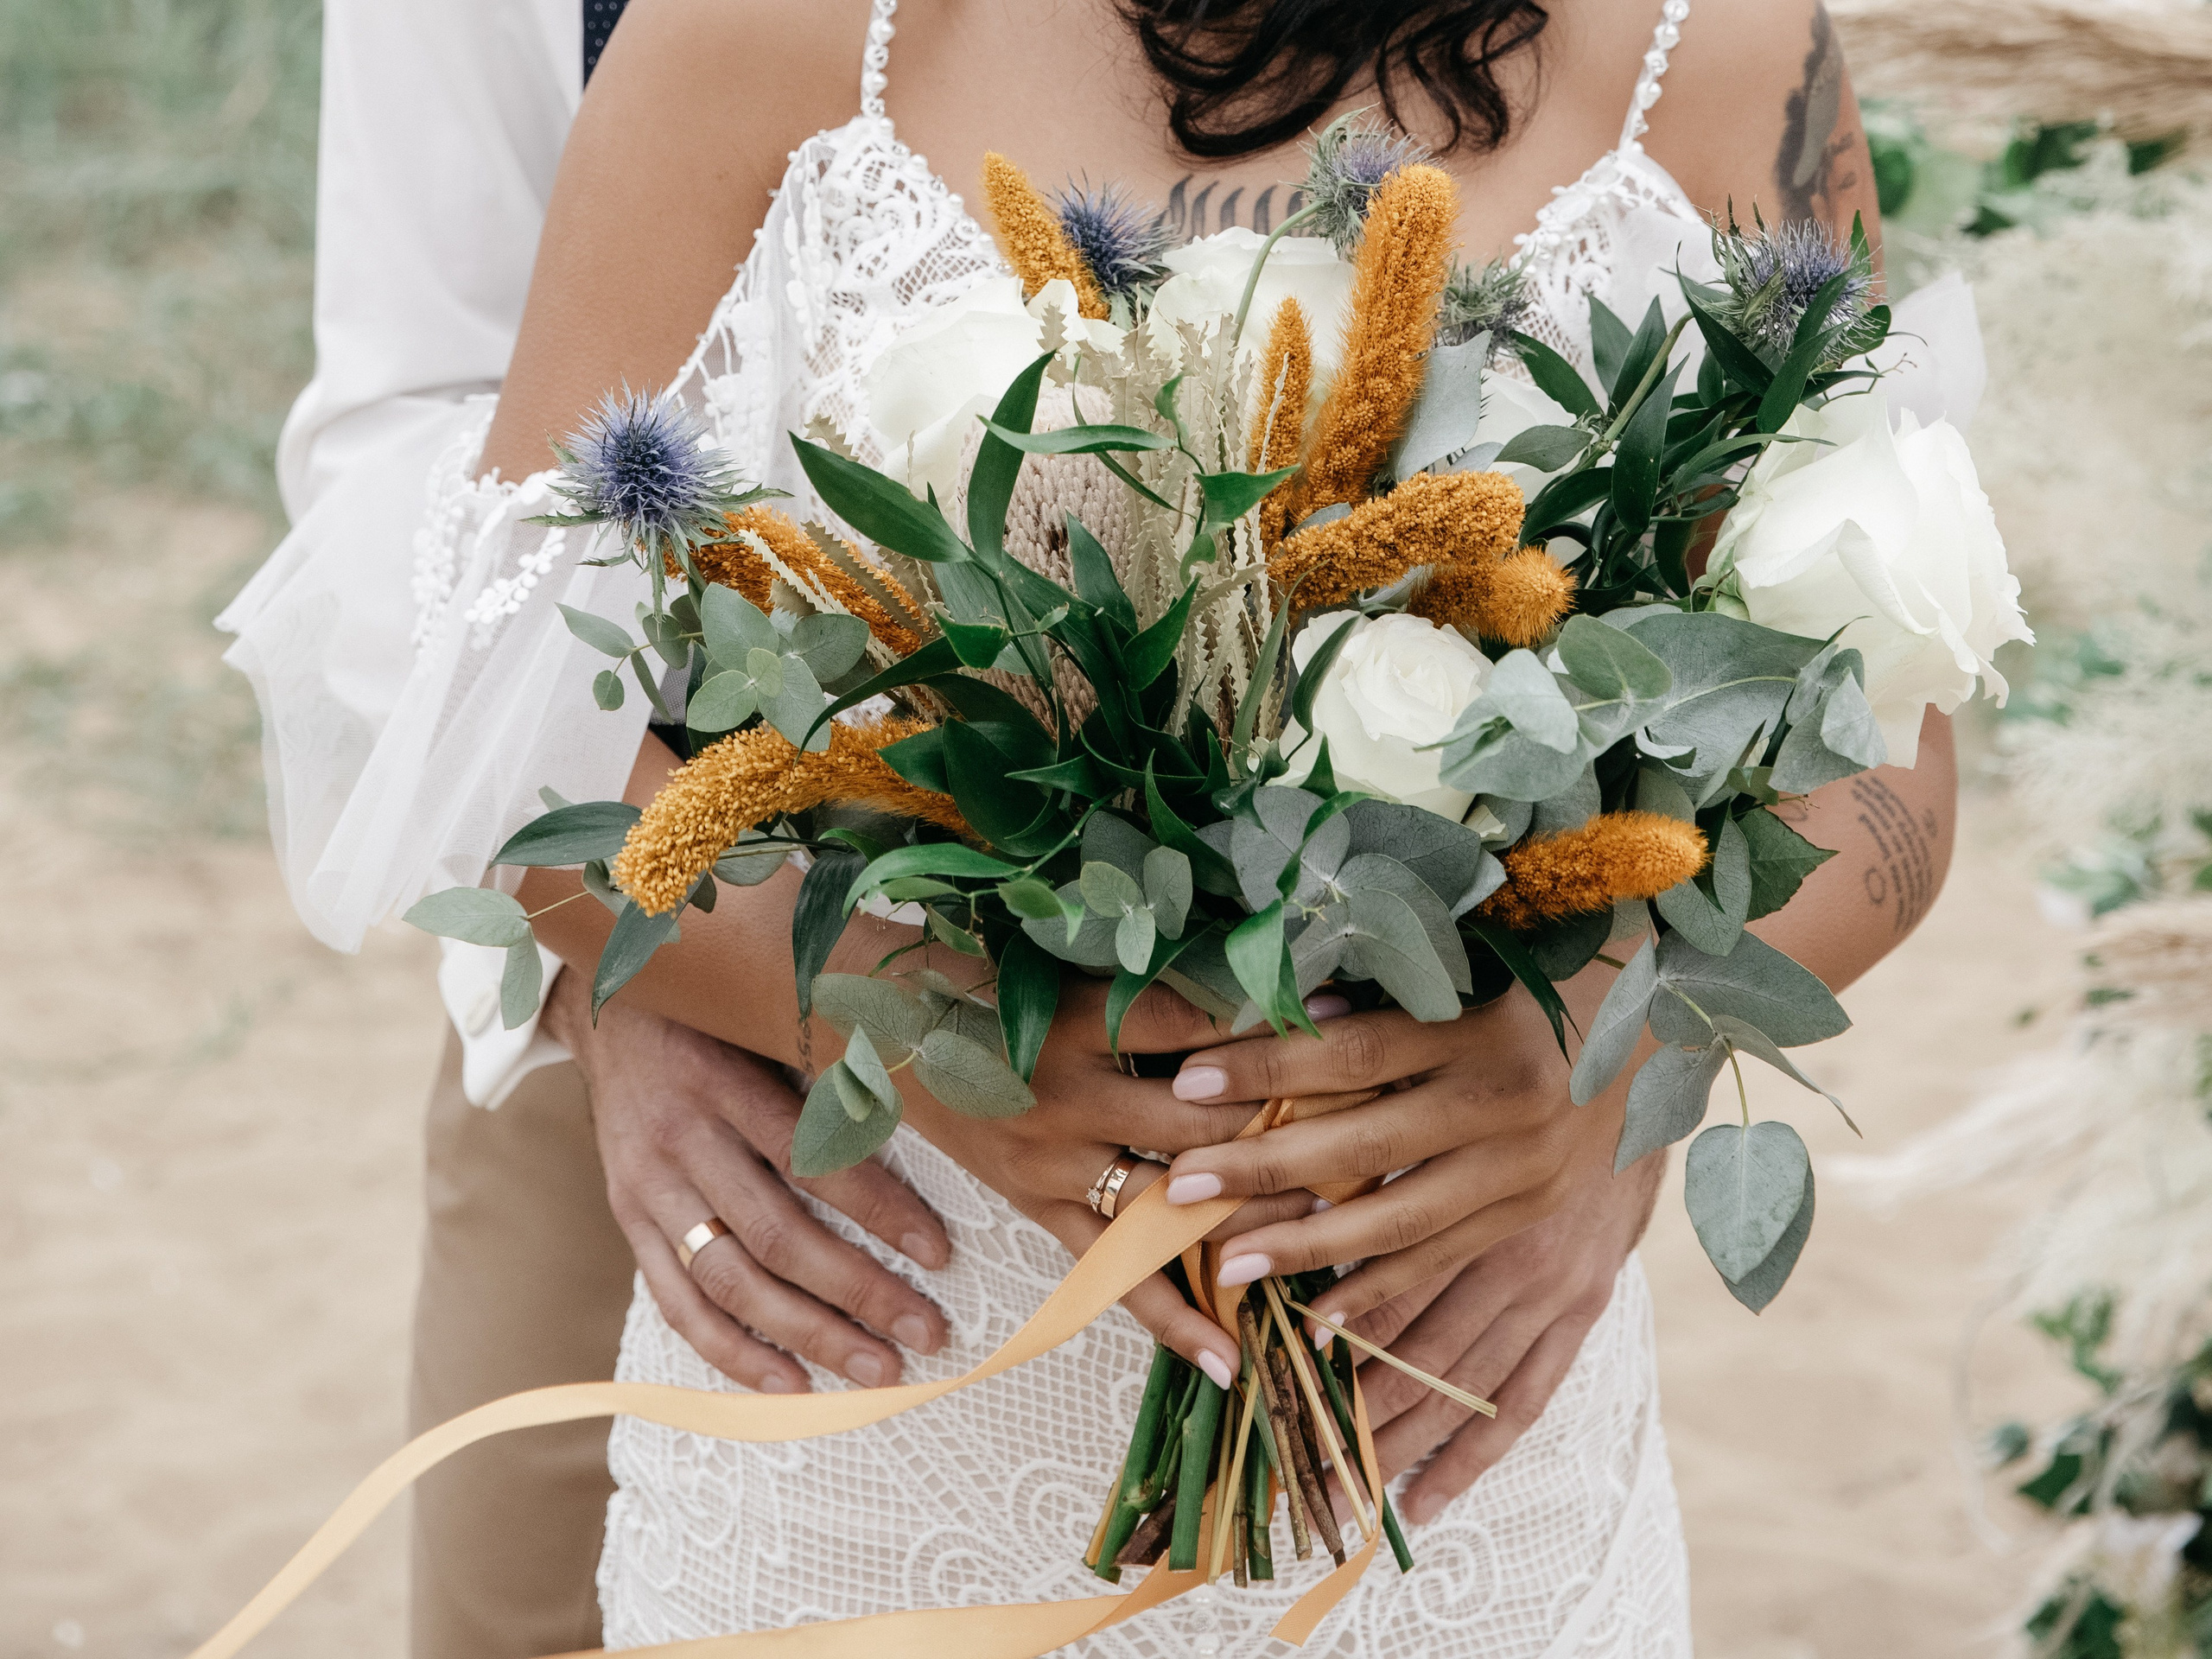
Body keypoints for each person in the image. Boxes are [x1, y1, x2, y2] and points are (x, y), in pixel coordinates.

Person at [223, 0, 1961, 1652]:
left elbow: (1880, 750)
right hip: (873, 1377)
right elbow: (510, 772)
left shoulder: (1712, 48)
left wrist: (1599, 1063)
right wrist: (905, 1023)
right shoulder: (755, 36)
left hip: (1458, 1450)